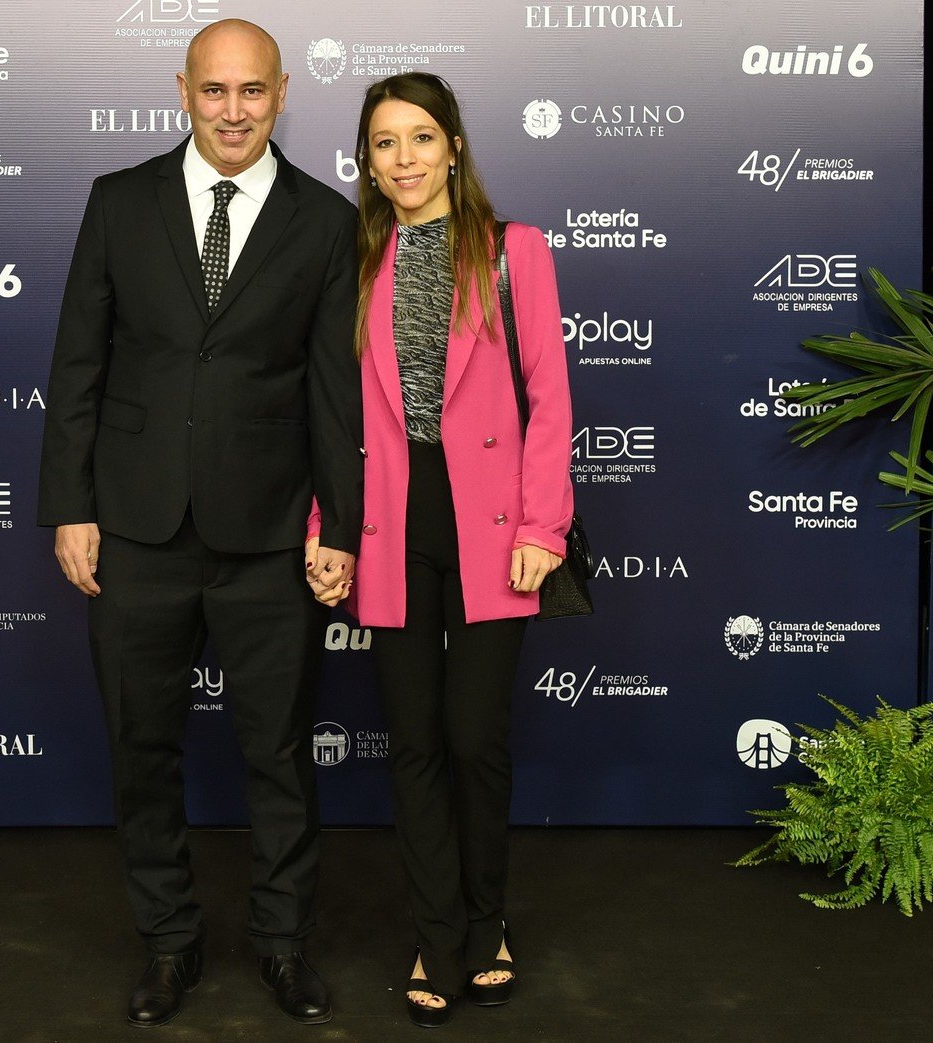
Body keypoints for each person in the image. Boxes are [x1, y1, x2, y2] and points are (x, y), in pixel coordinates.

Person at [37, 19, 362, 1029]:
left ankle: (280, 943)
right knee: (142, 747)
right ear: (181, 90)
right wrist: (70, 506)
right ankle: (168, 943)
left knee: (278, 753)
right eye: (214, 90)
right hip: (133, 528)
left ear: (281, 92)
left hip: (269, 535)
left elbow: (332, 393)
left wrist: (337, 527)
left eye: (252, 91)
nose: (233, 110)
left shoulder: (325, 219)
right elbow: (78, 368)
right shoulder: (117, 201)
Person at [312, 72, 573, 1027]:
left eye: (421, 138)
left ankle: (487, 920)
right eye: (385, 143)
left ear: (454, 147)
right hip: (392, 519)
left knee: (474, 737)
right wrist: (324, 530)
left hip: (493, 521)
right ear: (366, 163)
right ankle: (435, 932)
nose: (406, 159)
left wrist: (543, 527)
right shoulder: (353, 261)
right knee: (415, 741)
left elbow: (547, 399)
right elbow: (333, 418)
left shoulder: (513, 253)